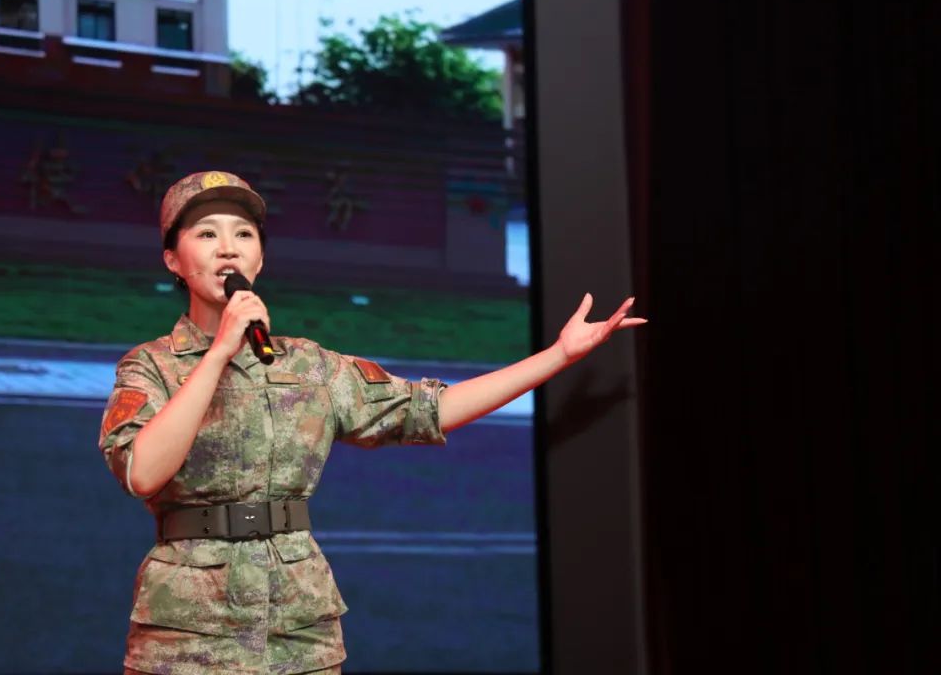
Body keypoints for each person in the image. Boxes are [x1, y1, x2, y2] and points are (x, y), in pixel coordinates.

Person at [99, 171, 646, 675]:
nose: (228, 248)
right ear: (172, 259)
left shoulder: (310, 366)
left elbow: (430, 409)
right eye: (206, 234)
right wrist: (220, 351)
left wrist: (558, 355)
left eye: (244, 234)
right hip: (186, 633)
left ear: (259, 259)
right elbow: (142, 472)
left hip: (297, 629)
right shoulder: (151, 366)